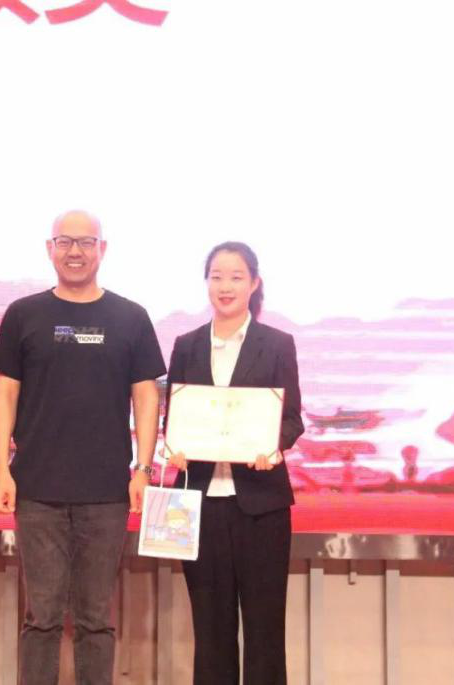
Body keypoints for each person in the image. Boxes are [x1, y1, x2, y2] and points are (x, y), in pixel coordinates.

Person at [0, 210, 166, 685]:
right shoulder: (24, 314)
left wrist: (143, 469)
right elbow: (5, 393)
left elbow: (147, 396)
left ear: (102, 250)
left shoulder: (131, 317)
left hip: (106, 492)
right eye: (65, 242)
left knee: (95, 619)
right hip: (37, 490)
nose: (75, 252)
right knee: (42, 617)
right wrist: (1, 469)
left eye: (86, 242)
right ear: (50, 249)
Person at [166, 241, 304, 685]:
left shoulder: (277, 344)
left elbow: (292, 419)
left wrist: (272, 446)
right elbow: (176, 418)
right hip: (199, 504)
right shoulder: (186, 345)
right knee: (210, 630)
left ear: (254, 283)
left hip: (262, 505)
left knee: (264, 630)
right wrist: (175, 446)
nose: (225, 286)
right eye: (217, 276)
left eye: (236, 277)